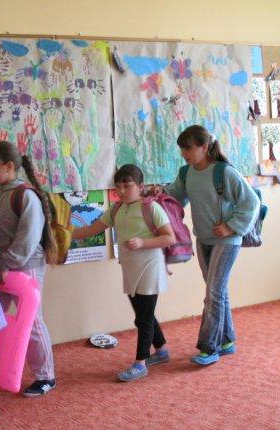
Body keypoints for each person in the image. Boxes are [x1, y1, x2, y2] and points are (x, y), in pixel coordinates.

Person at [163, 125, 259, 365]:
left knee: (213, 293)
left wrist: (231, 227)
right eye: (182, 149)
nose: (183, 153)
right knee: (218, 292)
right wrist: (156, 194)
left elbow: (251, 202)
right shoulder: (187, 173)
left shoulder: (224, 172)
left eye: (188, 148)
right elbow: (174, 197)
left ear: (205, 147)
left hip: (227, 240)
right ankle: (226, 340)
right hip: (204, 239)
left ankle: (209, 347)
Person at [73, 164, 175, 381]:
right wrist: (64, 234)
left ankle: (140, 364)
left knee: (144, 318)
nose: (121, 191)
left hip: (150, 267)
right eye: (118, 186)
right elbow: (91, 229)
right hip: (130, 269)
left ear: (140, 187)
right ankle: (161, 351)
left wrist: (143, 242)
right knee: (143, 314)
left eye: (127, 186)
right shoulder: (116, 209)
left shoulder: (152, 208)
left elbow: (169, 237)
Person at [0, 141, 57, 397]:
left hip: (27, 267)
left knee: (32, 321)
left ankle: (46, 376)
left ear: (9, 166)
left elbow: (28, 238)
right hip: (3, 268)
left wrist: (6, 264)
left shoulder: (26, 195)